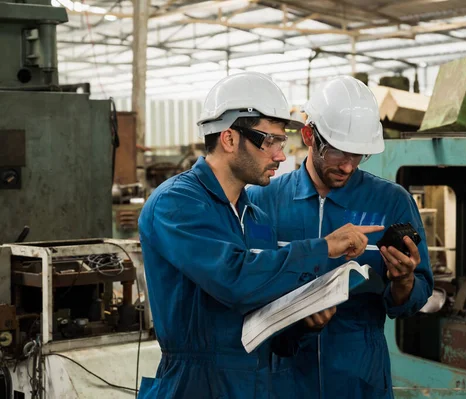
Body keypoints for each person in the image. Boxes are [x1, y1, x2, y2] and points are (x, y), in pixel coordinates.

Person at [136, 72, 383, 399]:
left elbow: (265, 312)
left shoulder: (257, 218)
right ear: (229, 139)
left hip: (256, 384)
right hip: (196, 385)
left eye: (281, 143)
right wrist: (324, 248)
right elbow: (234, 278)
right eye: (270, 141)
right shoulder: (176, 203)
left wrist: (304, 324)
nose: (281, 156)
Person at [247, 75, 434, 399]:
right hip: (285, 375)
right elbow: (249, 281)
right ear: (309, 135)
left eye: (358, 155)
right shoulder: (265, 200)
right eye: (338, 152)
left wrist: (404, 282)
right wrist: (298, 316)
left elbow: (417, 291)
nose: (348, 166)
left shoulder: (391, 202)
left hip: (359, 375)